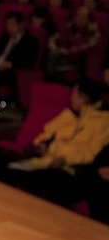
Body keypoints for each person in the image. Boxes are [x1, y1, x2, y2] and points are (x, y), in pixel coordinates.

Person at [16, 80, 109, 208]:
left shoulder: (102, 122)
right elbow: (48, 134)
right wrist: (42, 146)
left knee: (53, 186)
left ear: (84, 98)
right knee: (24, 176)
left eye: (74, 95)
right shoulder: (72, 115)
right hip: (51, 161)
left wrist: (63, 158)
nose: (70, 98)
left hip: (75, 171)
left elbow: (90, 153)